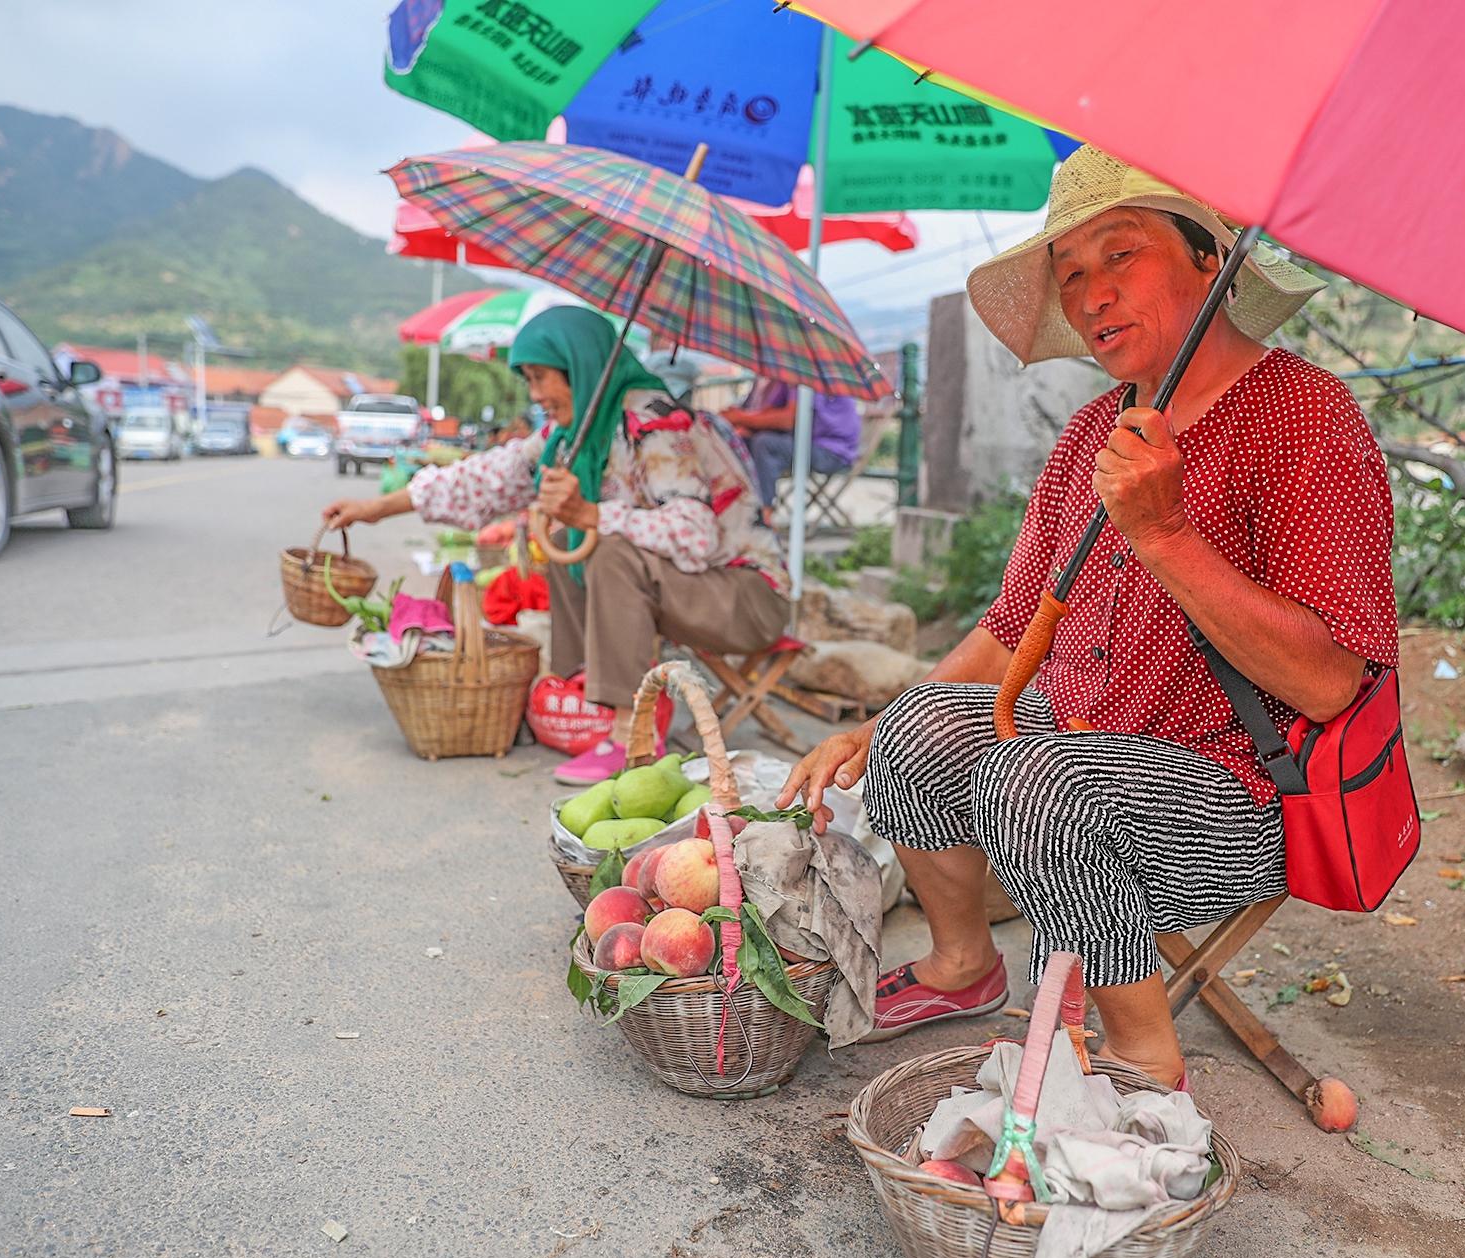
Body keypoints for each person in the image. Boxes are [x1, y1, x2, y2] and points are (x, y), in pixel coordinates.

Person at [777, 147, 1397, 1088]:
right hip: (1078, 749)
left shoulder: (1303, 415)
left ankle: (1146, 1055)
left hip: (1241, 793)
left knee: (1039, 779)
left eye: (1120, 255)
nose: (1092, 293)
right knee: (917, 725)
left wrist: (1169, 534)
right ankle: (962, 964)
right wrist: (870, 727)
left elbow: (1327, 681)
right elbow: (1012, 626)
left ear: (1207, 259)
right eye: (1071, 276)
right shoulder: (1090, 438)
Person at [323, 306, 790, 784]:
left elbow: (696, 532)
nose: (536, 394)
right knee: (572, 538)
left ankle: (632, 737)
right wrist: (377, 509)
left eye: (543, 377)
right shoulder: (575, 432)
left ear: (580, 365)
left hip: (748, 598)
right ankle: (586, 692)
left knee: (603, 545)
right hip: (695, 589)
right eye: (529, 379)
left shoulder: (656, 422)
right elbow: (485, 479)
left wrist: (593, 514)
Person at [720, 376, 860, 523]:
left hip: (832, 451)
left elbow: (788, 420)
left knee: (765, 444)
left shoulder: (806, 375)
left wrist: (741, 418)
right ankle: (733, 508)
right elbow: (768, 414)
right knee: (741, 442)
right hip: (806, 443)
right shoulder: (777, 381)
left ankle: (763, 516)